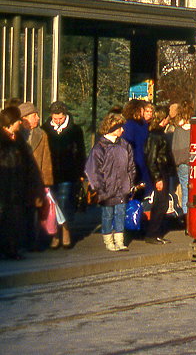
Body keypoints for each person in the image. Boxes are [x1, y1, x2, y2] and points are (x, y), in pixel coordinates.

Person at [85, 112, 136, 252]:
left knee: (120, 214)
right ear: (113, 128)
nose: (123, 130)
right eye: (120, 128)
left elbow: (131, 166)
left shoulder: (125, 145)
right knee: (107, 215)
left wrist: (130, 183)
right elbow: (93, 169)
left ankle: (120, 241)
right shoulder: (100, 147)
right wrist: (99, 187)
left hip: (122, 188)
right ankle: (108, 241)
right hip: (106, 189)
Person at [0, 106, 40, 259]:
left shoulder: (19, 140)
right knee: (5, 219)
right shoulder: (3, 139)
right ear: (10, 122)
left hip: (17, 187)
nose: (19, 123)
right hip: (4, 188)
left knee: (15, 220)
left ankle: (12, 249)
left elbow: (28, 163)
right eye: (17, 120)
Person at [44, 101, 85, 248]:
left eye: (60, 118)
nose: (57, 121)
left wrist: (81, 172)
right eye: (55, 118)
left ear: (65, 115)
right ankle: (55, 234)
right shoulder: (45, 129)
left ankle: (66, 231)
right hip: (51, 173)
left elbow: (80, 153)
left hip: (69, 173)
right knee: (52, 205)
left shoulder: (75, 130)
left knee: (65, 203)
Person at [19, 102, 53, 251]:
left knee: (35, 214)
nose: (38, 118)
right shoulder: (16, 135)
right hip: (20, 181)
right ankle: (19, 242)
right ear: (24, 118)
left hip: (36, 181)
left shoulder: (42, 134)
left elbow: (46, 160)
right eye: (34, 115)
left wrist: (47, 183)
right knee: (20, 213)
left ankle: (33, 242)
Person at [143, 107, 173, 244]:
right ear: (163, 119)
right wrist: (157, 178)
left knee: (162, 203)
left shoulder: (158, 134)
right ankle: (152, 233)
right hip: (159, 172)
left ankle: (156, 232)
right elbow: (152, 159)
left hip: (162, 171)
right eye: (167, 117)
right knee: (160, 203)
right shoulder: (155, 136)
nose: (168, 119)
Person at [121, 98, 154, 196]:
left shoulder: (139, 125)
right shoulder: (132, 125)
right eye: (142, 109)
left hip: (140, 162)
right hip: (136, 163)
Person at [169, 100, 192, 217]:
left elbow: (174, 148)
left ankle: (185, 214)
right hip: (195, 162)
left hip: (182, 163)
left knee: (185, 189)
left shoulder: (178, 130)